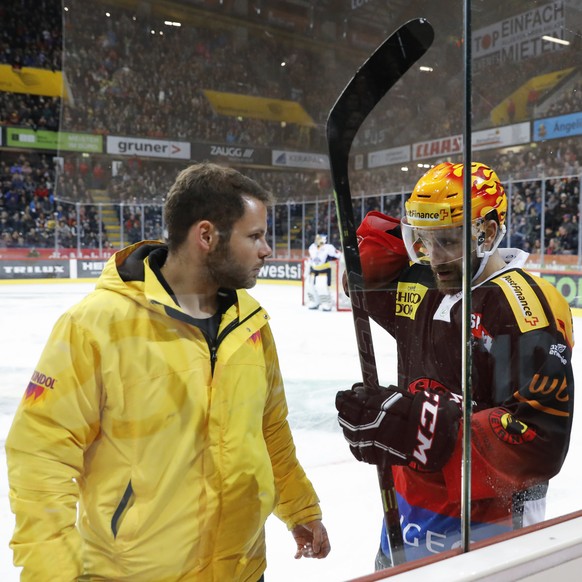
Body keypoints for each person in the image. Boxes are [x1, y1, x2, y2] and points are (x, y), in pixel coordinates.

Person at [6, 162, 330, 581]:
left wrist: (299, 507)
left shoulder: (251, 324)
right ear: (207, 236)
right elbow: (41, 457)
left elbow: (271, 431)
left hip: (242, 571)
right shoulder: (95, 326)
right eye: (254, 236)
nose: (266, 249)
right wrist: (53, 573)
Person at [335, 162, 574, 566]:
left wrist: (422, 430)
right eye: (423, 241)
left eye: (448, 240)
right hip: (410, 505)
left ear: (489, 233)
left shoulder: (523, 305)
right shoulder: (424, 280)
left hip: (491, 519)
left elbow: (541, 437)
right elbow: (362, 280)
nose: (435, 258)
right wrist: (391, 240)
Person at [305, 233, 342, 311]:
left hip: (324, 270)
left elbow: (338, 255)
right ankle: (314, 301)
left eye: (319, 238)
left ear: (324, 239)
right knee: (309, 286)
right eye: (316, 238)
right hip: (313, 270)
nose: (317, 240)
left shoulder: (328, 247)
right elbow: (312, 259)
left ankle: (327, 303)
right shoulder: (312, 247)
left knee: (322, 287)